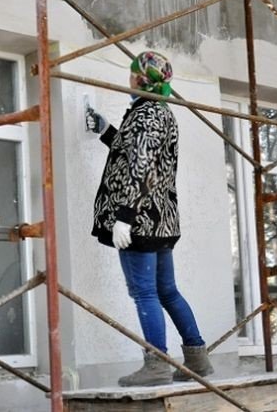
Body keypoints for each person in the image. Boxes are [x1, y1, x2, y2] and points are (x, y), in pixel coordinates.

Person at [86, 51, 213, 387]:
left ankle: (156, 364)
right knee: (167, 291)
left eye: (132, 73)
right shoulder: (160, 111)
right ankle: (198, 359)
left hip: (140, 221)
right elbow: (136, 153)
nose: (129, 78)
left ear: (140, 79)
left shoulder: (146, 115)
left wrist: (124, 217)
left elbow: (140, 165)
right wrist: (106, 131)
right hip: (160, 220)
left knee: (144, 293)